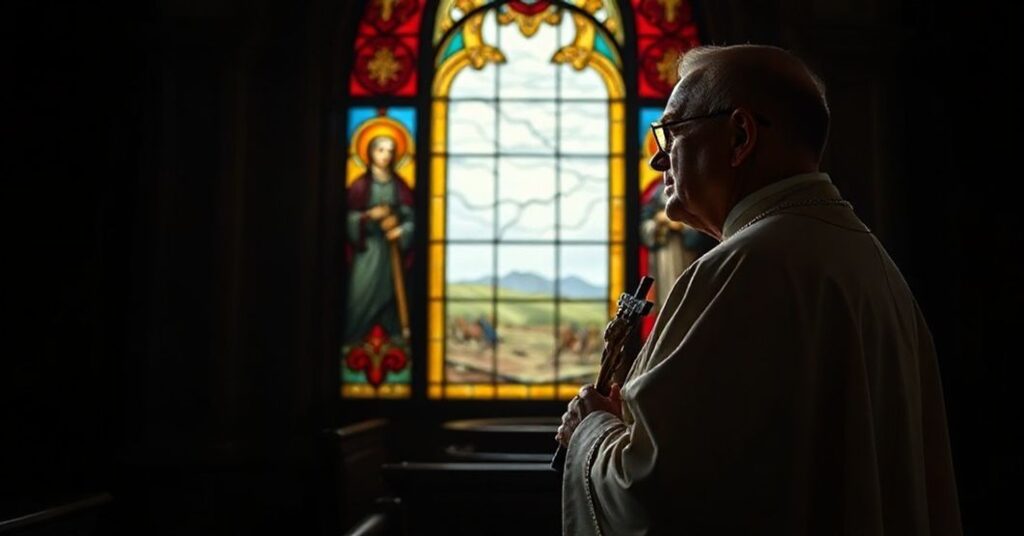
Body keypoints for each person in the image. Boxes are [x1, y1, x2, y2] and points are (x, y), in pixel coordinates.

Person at [556, 44, 961, 535]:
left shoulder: (742, 269)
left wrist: (592, 433)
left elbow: (657, 497)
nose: (657, 160)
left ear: (740, 135)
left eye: (671, 133)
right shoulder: (871, 264)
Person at [344, 135, 414, 348]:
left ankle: (397, 348)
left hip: (392, 254)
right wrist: (367, 217)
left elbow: (413, 219)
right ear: (369, 153)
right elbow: (346, 219)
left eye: (390, 151)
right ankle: (351, 345)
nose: (385, 155)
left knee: (392, 301)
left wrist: (400, 229)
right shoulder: (359, 186)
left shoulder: (400, 187)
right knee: (359, 298)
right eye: (380, 150)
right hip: (366, 253)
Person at [639, 182, 717, 310]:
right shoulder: (656, 194)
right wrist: (657, 224)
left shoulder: (691, 190)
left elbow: (704, 228)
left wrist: (681, 226)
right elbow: (645, 226)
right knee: (666, 296)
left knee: (686, 293)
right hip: (664, 254)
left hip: (685, 254)